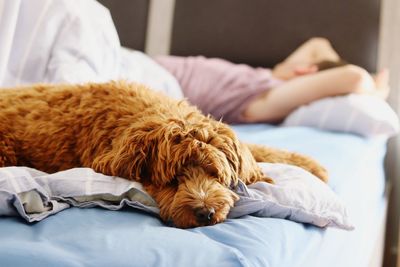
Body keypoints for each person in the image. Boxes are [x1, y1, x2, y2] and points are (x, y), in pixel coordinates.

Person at [155, 38, 389, 124]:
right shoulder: (269, 76)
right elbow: (319, 44)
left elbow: (354, 78)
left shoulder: (270, 97)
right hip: (150, 64)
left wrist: (376, 93)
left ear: (307, 71)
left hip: (153, 79)